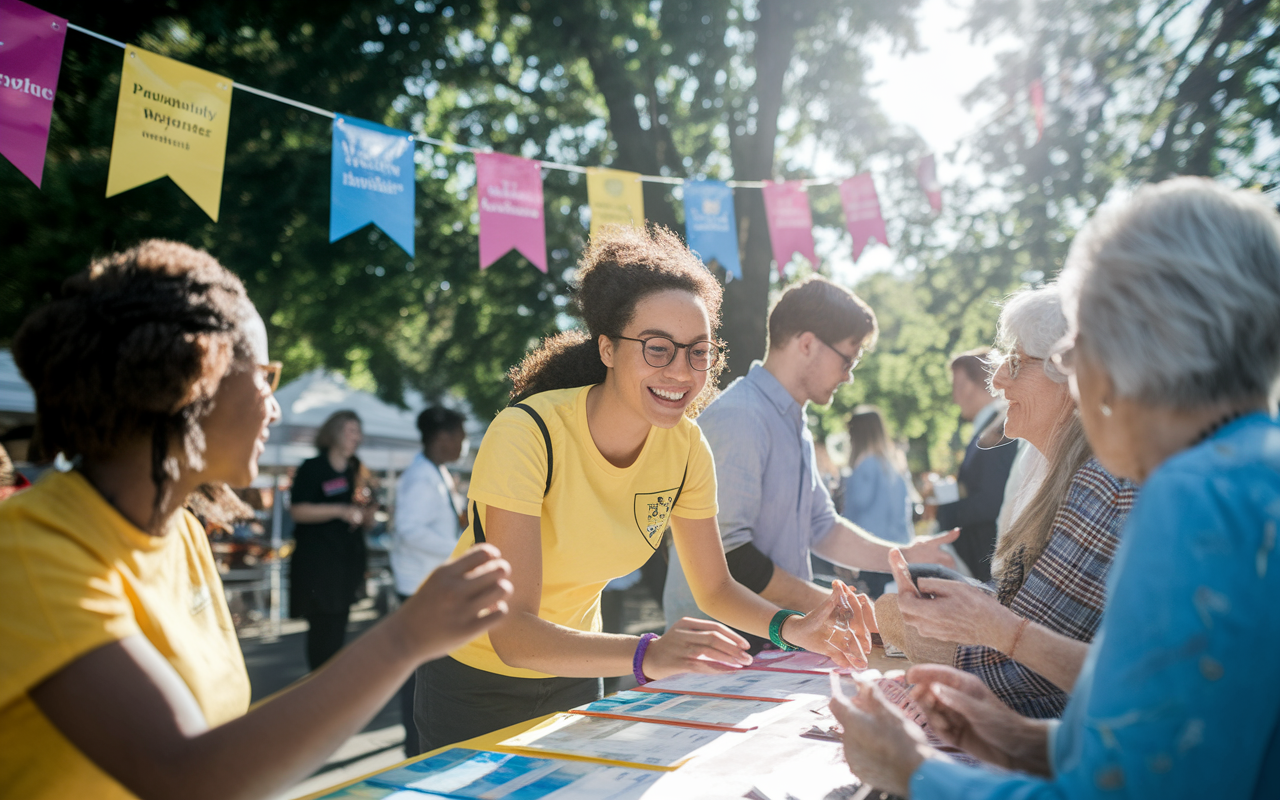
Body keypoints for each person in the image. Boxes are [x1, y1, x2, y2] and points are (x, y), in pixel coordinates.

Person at [0, 240, 512, 800]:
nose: (275, 406)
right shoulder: (30, 549)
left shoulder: (186, 534)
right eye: (264, 376)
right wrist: (404, 639)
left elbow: (226, 741)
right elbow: (183, 776)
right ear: (197, 372)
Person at [831, 178, 1280, 798]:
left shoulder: (1193, 497)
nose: (1076, 374)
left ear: (1135, 341)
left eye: (1076, 347)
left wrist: (914, 774)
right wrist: (1018, 741)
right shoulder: (1247, 470)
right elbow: (1182, 744)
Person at [415, 227, 875, 752]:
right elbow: (513, 635)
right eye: (658, 349)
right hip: (472, 683)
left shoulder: (686, 448)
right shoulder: (528, 433)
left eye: (698, 352)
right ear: (608, 348)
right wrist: (647, 654)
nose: (681, 371)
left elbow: (715, 589)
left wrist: (793, 628)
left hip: (578, 677)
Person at [879, 284, 1137, 718]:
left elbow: (1018, 675)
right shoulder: (1076, 469)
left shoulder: (1101, 480)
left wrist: (897, 621)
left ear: (1071, 376)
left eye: (1015, 363)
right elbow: (1021, 623)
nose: (997, 379)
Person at [663, 277, 957, 636]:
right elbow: (731, 555)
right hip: (717, 648)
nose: (849, 376)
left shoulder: (792, 420)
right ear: (807, 344)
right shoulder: (741, 417)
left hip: (766, 641)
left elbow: (824, 527)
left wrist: (905, 555)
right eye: (848, 359)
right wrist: (843, 608)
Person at [390, 405, 468, 756]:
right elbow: (409, 530)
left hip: (427, 584)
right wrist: (461, 547)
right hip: (419, 588)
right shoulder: (421, 477)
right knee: (421, 675)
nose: (463, 445)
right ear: (442, 438)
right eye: (460, 437)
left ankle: (418, 744)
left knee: (427, 672)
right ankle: (415, 747)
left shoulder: (433, 471)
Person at [289, 410, 373, 671]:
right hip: (318, 566)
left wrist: (367, 514)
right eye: (350, 431)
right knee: (322, 631)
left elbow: (367, 511)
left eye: (358, 432)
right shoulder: (313, 467)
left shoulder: (356, 468)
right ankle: (318, 689)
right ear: (333, 433)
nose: (356, 437)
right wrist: (339, 511)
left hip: (346, 565)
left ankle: (329, 685)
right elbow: (298, 510)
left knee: (338, 628)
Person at [934, 348, 1019, 581]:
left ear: (967, 385)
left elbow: (992, 500)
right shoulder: (991, 426)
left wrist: (946, 513)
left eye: (956, 385)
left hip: (987, 563)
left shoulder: (1001, 427)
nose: (955, 396)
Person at [841, 405, 914, 545]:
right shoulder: (894, 465)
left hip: (869, 549)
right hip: (897, 545)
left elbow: (854, 509)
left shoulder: (865, 466)